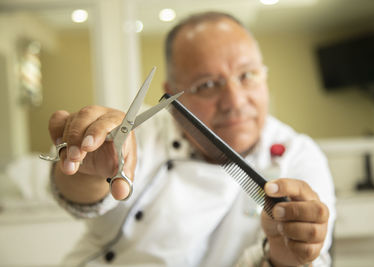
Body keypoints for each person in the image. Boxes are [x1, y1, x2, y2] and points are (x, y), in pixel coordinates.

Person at [48, 11, 335, 267]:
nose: (234, 101)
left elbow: (309, 257)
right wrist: (84, 164)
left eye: (247, 75)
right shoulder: (140, 131)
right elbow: (76, 192)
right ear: (171, 95)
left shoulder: (299, 156)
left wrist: (284, 259)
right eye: (207, 84)